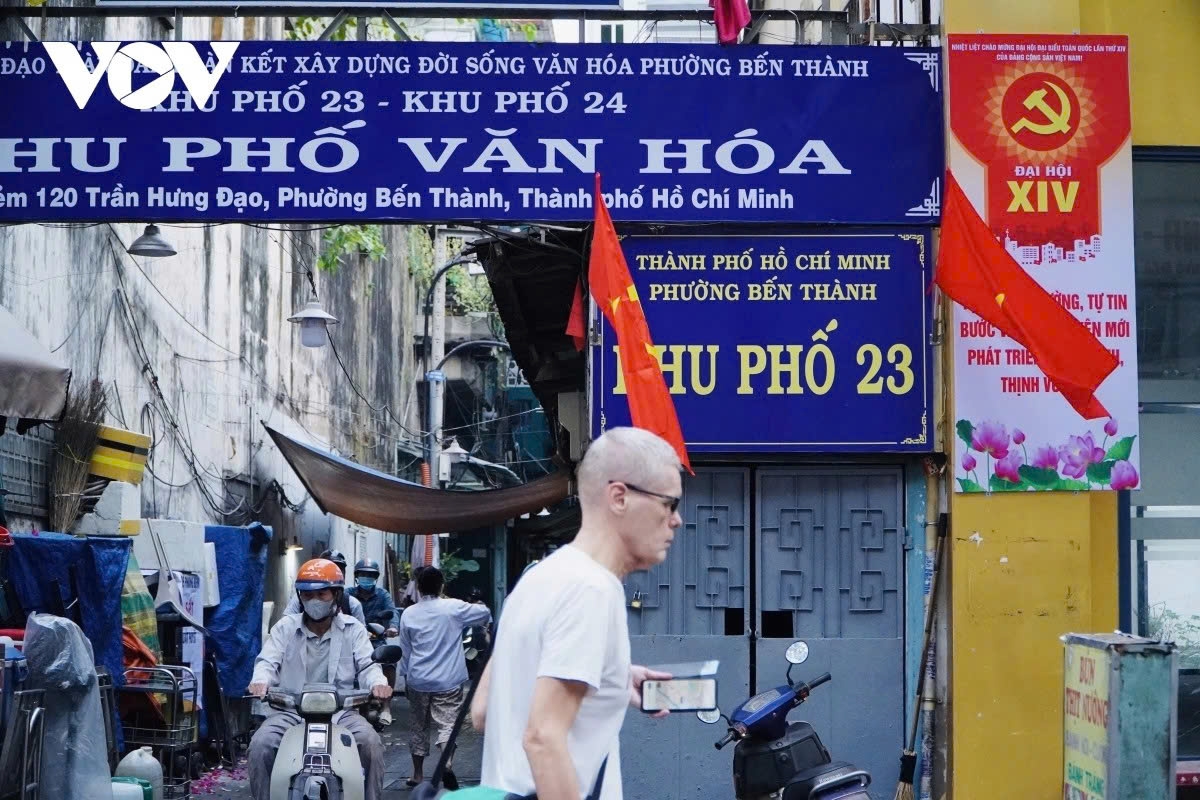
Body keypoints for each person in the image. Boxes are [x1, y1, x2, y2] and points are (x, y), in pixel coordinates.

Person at [472, 427, 683, 800]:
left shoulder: (537, 578)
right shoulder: (592, 589)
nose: (676, 520)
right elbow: (542, 737)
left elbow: (484, 711)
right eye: (669, 504)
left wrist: (609, 676)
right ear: (619, 497)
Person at [247, 558, 392, 800]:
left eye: (321, 594)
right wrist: (261, 681)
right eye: (307, 594)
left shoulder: (354, 629)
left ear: (336, 595)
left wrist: (378, 683)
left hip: (341, 714)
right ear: (300, 597)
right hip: (290, 712)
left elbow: (368, 665)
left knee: (371, 744)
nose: (314, 600)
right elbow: (267, 661)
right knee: (260, 745)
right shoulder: (284, 628)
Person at [396, 566, 493, 789]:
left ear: (418, 588)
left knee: (418, 726)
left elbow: (405, 650)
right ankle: (446, 762)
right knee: (447, 724)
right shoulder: (453, 608)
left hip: (418, 679)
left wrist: (405, 676)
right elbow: (485, 614)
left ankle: (417, 774)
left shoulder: (409, 613)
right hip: (448, 680)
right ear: (441, 586)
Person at [350, 557, 401, 723]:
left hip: (376, 640)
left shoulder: (382, 595)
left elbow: (392, 612)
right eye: (363, 574)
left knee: (389, 665)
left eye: (370, 575)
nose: (367, 578)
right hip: (353, 641)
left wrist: (393, 627)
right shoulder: (348, 594)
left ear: (376, 578)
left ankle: (386, 706)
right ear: (356, 576)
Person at [282, 549, 367, 625]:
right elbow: (285, 625)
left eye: (322, 594)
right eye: (308, 595)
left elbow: (361, 633)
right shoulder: (299, 600)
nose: (334, 573)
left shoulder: (352, 605)